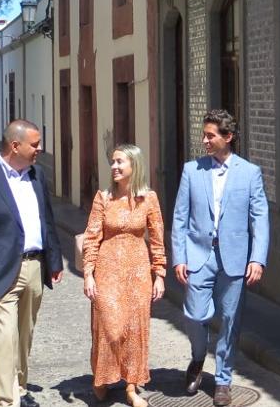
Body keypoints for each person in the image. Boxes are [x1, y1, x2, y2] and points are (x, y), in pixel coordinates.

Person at [0, 120, 64, 407]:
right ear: (15, 146)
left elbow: (47, 220)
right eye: (35, 144)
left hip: (35, 265)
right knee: (5, 338)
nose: (40, 149)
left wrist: (54, 260)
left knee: (24, 335)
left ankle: (19, 388)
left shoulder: (37, 176)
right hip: (1, 269)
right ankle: (6, 401)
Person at [172, 109, 269, 407]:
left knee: (229, 320)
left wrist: (257, 259)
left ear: (228, 137)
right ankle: (199, 357)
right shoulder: (192, 170)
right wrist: (179, 257)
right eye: (204, 135)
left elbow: (260, 218)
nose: (205, 140)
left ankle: (223, 380)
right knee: (195, 315)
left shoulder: (249, 173)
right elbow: (179, 218)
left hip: (235, 258)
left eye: (210, 135)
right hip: (199, 255)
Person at [82, 144, 167, 406]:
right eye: (113, 162)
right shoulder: (103, 197)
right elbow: (92, 236)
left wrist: (160, 274)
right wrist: (88, 273)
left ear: (134, 166)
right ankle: (102, 376)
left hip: (138, 271)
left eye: (120, 162)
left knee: (134, 328)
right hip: (107, 270)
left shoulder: (148, 198)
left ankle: (131, 386)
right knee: (108, 326)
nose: (115, 167)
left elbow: (156, 239)